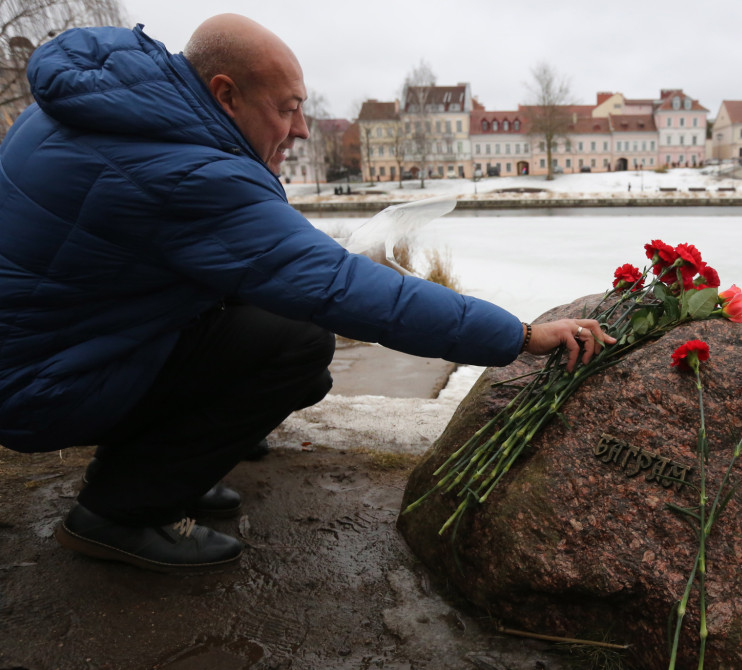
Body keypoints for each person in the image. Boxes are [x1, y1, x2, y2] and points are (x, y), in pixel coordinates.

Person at [0, 14, 614, 573]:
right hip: (41, 388)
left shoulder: (89, 107)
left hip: (46, 350)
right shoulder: (187, 173)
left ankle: (158, 468)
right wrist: (521, 335)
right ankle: (117, 513)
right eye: (288, 108)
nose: (298, 129)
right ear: (224, 94)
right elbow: (345, 288)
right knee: (293, 347)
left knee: (261, 317)